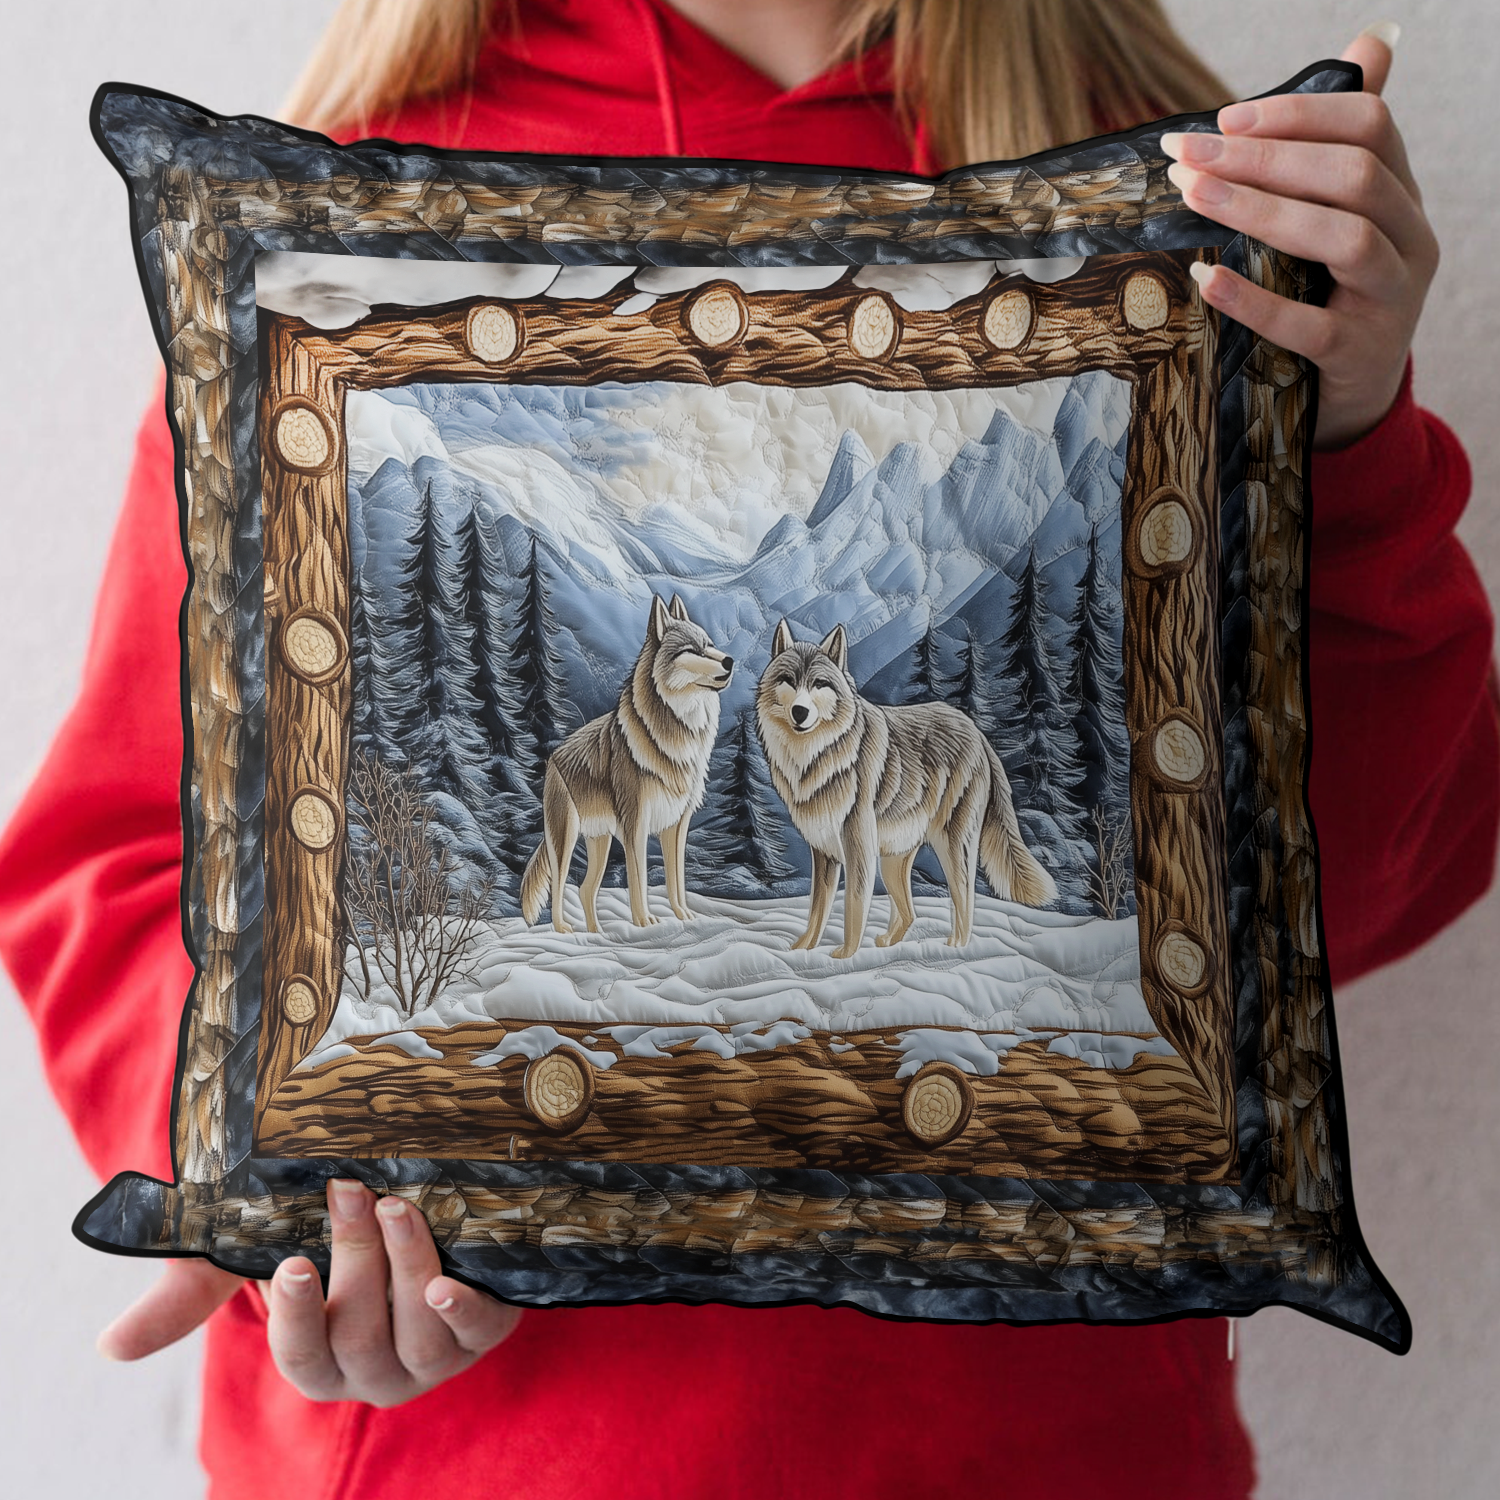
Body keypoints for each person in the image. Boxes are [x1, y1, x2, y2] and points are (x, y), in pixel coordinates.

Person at [1, 2, 1494, 1496]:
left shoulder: (1188, 195)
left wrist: (1351, 437)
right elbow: (114, 865)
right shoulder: (347, 215)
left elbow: (1344, 896)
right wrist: (279, 1205)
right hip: (468, 1454)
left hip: (1053, 1454)